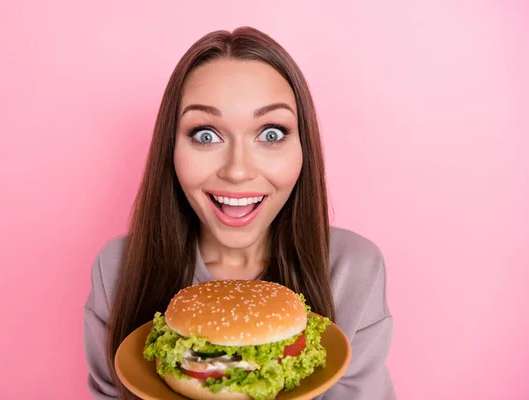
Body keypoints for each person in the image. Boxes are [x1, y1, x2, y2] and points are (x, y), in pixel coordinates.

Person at [83, 26, 396, 400]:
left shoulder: (353, 270)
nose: (237, 170)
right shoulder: (118, 268)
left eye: (270, 133)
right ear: (170, 147)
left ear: (303, 147)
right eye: (205, 135)